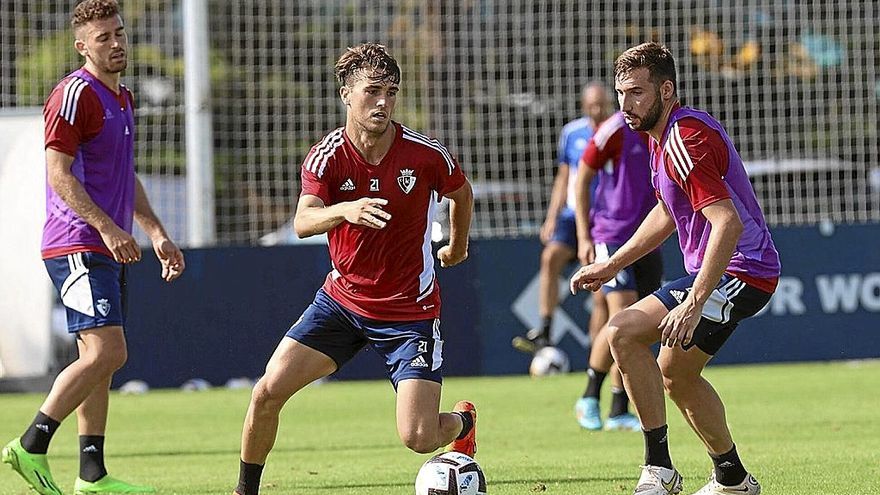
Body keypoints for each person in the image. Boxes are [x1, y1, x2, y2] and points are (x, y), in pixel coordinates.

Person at [233, 43, 476, 495]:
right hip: (341, 304)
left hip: (410, 313)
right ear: (347, 94)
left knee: (418, 438)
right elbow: (303, 221)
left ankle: (462, 423)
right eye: (372, 91)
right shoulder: (327, 156)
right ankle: (245, 491)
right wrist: (346, 209)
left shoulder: (423, 154)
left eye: (391, 92)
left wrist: (457, 247)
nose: (382, 102)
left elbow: (461, 193)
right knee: (266, 393)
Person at [570, 42, 779, 495]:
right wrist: (612, 265)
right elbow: (667, 210)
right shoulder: (659, 136)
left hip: (739, 271)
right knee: (675, 375)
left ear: (666, 90)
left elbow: (727, 221)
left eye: (637, 93)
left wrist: (695, 301)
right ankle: (732, 479)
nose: (625, 104)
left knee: (621, 331)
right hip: (735, 271)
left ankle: (658, 470)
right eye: (621, 93)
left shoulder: (686, 137)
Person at [1, 1, 185, 494]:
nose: (116, 43)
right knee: (108, 352)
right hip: (76, 243)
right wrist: (107, 228)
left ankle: (92, 476)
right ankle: (30, 444)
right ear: (82, 46)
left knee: (98, 359)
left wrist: (156, 232)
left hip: (104, 244)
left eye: (119, 33)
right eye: (103, 37)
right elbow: (58, 175)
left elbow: (125, 177)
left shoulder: (123, 98)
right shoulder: (74, 94)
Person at [572, 109, 663, 432]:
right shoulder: (615, 129)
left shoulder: (665, 129)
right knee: (621, 317)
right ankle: (588, 396)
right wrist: (584, 235)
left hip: (650, 237)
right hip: (612, 235)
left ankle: (618, 408)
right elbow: (581, 176)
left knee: (641, 323)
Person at [512, 83, 612, 354]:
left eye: (602, 104)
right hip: (571, 216)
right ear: (584, 106)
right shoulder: (572, 133)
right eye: (592, 105)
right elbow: (564, 176)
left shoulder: (617, 132)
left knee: (601, 291)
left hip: (603, 217)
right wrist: (551, 217)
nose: (598, 110)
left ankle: (597, 355)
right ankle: (545, 329)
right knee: (550, 258)